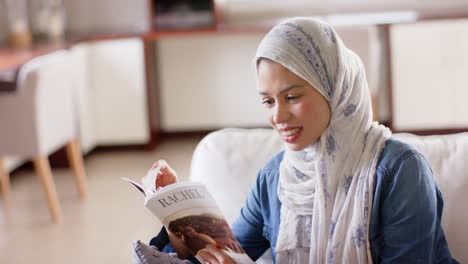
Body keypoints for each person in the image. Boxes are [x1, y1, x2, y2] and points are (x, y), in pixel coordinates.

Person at [149, 18, 459, 264]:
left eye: (293, 97)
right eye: (268, 102)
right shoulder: (275, 178)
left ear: (334, 89)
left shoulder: (399, 171)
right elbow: (230, 252)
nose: (278, 116)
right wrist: (180, 216)